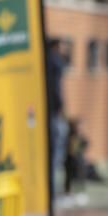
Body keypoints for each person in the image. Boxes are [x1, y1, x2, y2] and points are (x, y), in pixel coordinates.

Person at [46, 38, 68, 195]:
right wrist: (60, 105)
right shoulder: (54, 62)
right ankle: (52, 191)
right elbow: (56, 88)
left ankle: (52, 190)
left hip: (50, 110)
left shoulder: (49, 61)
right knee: (56, 147)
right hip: (52, 111)